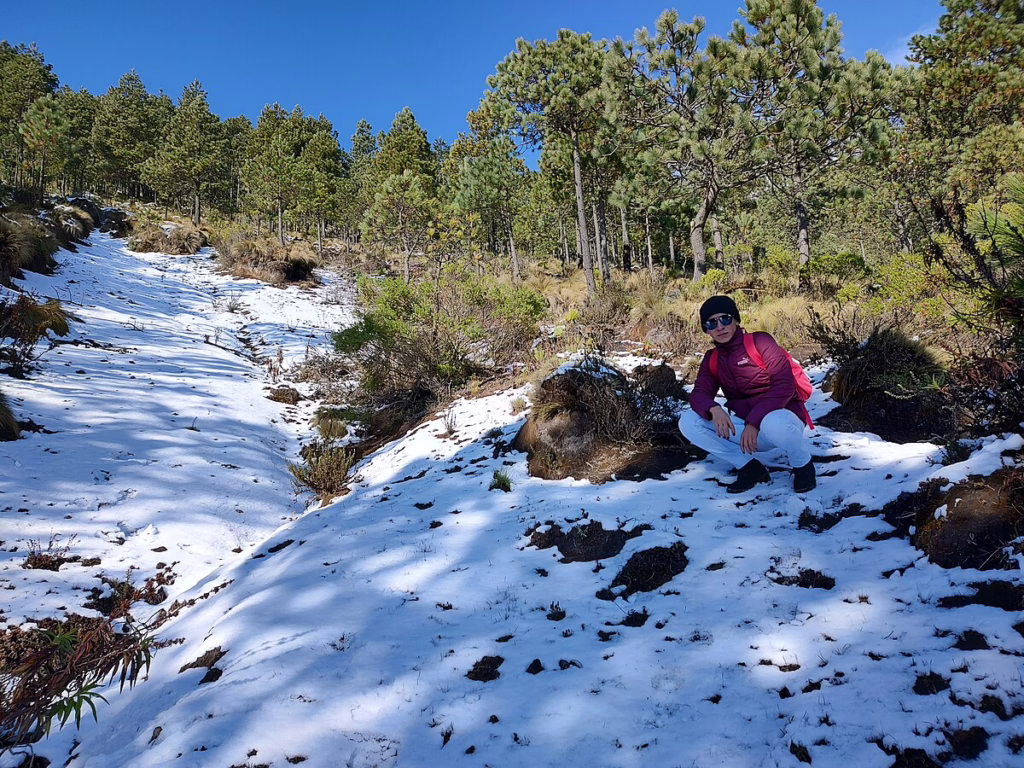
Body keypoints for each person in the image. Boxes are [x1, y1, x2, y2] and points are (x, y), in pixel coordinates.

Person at [678, 295, 816, 494]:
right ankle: (749, 468)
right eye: (711, 323)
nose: (720, 327)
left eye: (725, 319)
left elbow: (784, 386)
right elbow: (699, 394)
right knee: (688, 421)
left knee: (773, 422)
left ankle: (802, 465)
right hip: (746, 432)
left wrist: (754, 421)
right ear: (706, 329)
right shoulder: (712, 358)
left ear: (735, 320)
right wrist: (714, 409)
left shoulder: (760, 341)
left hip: (781, 421)